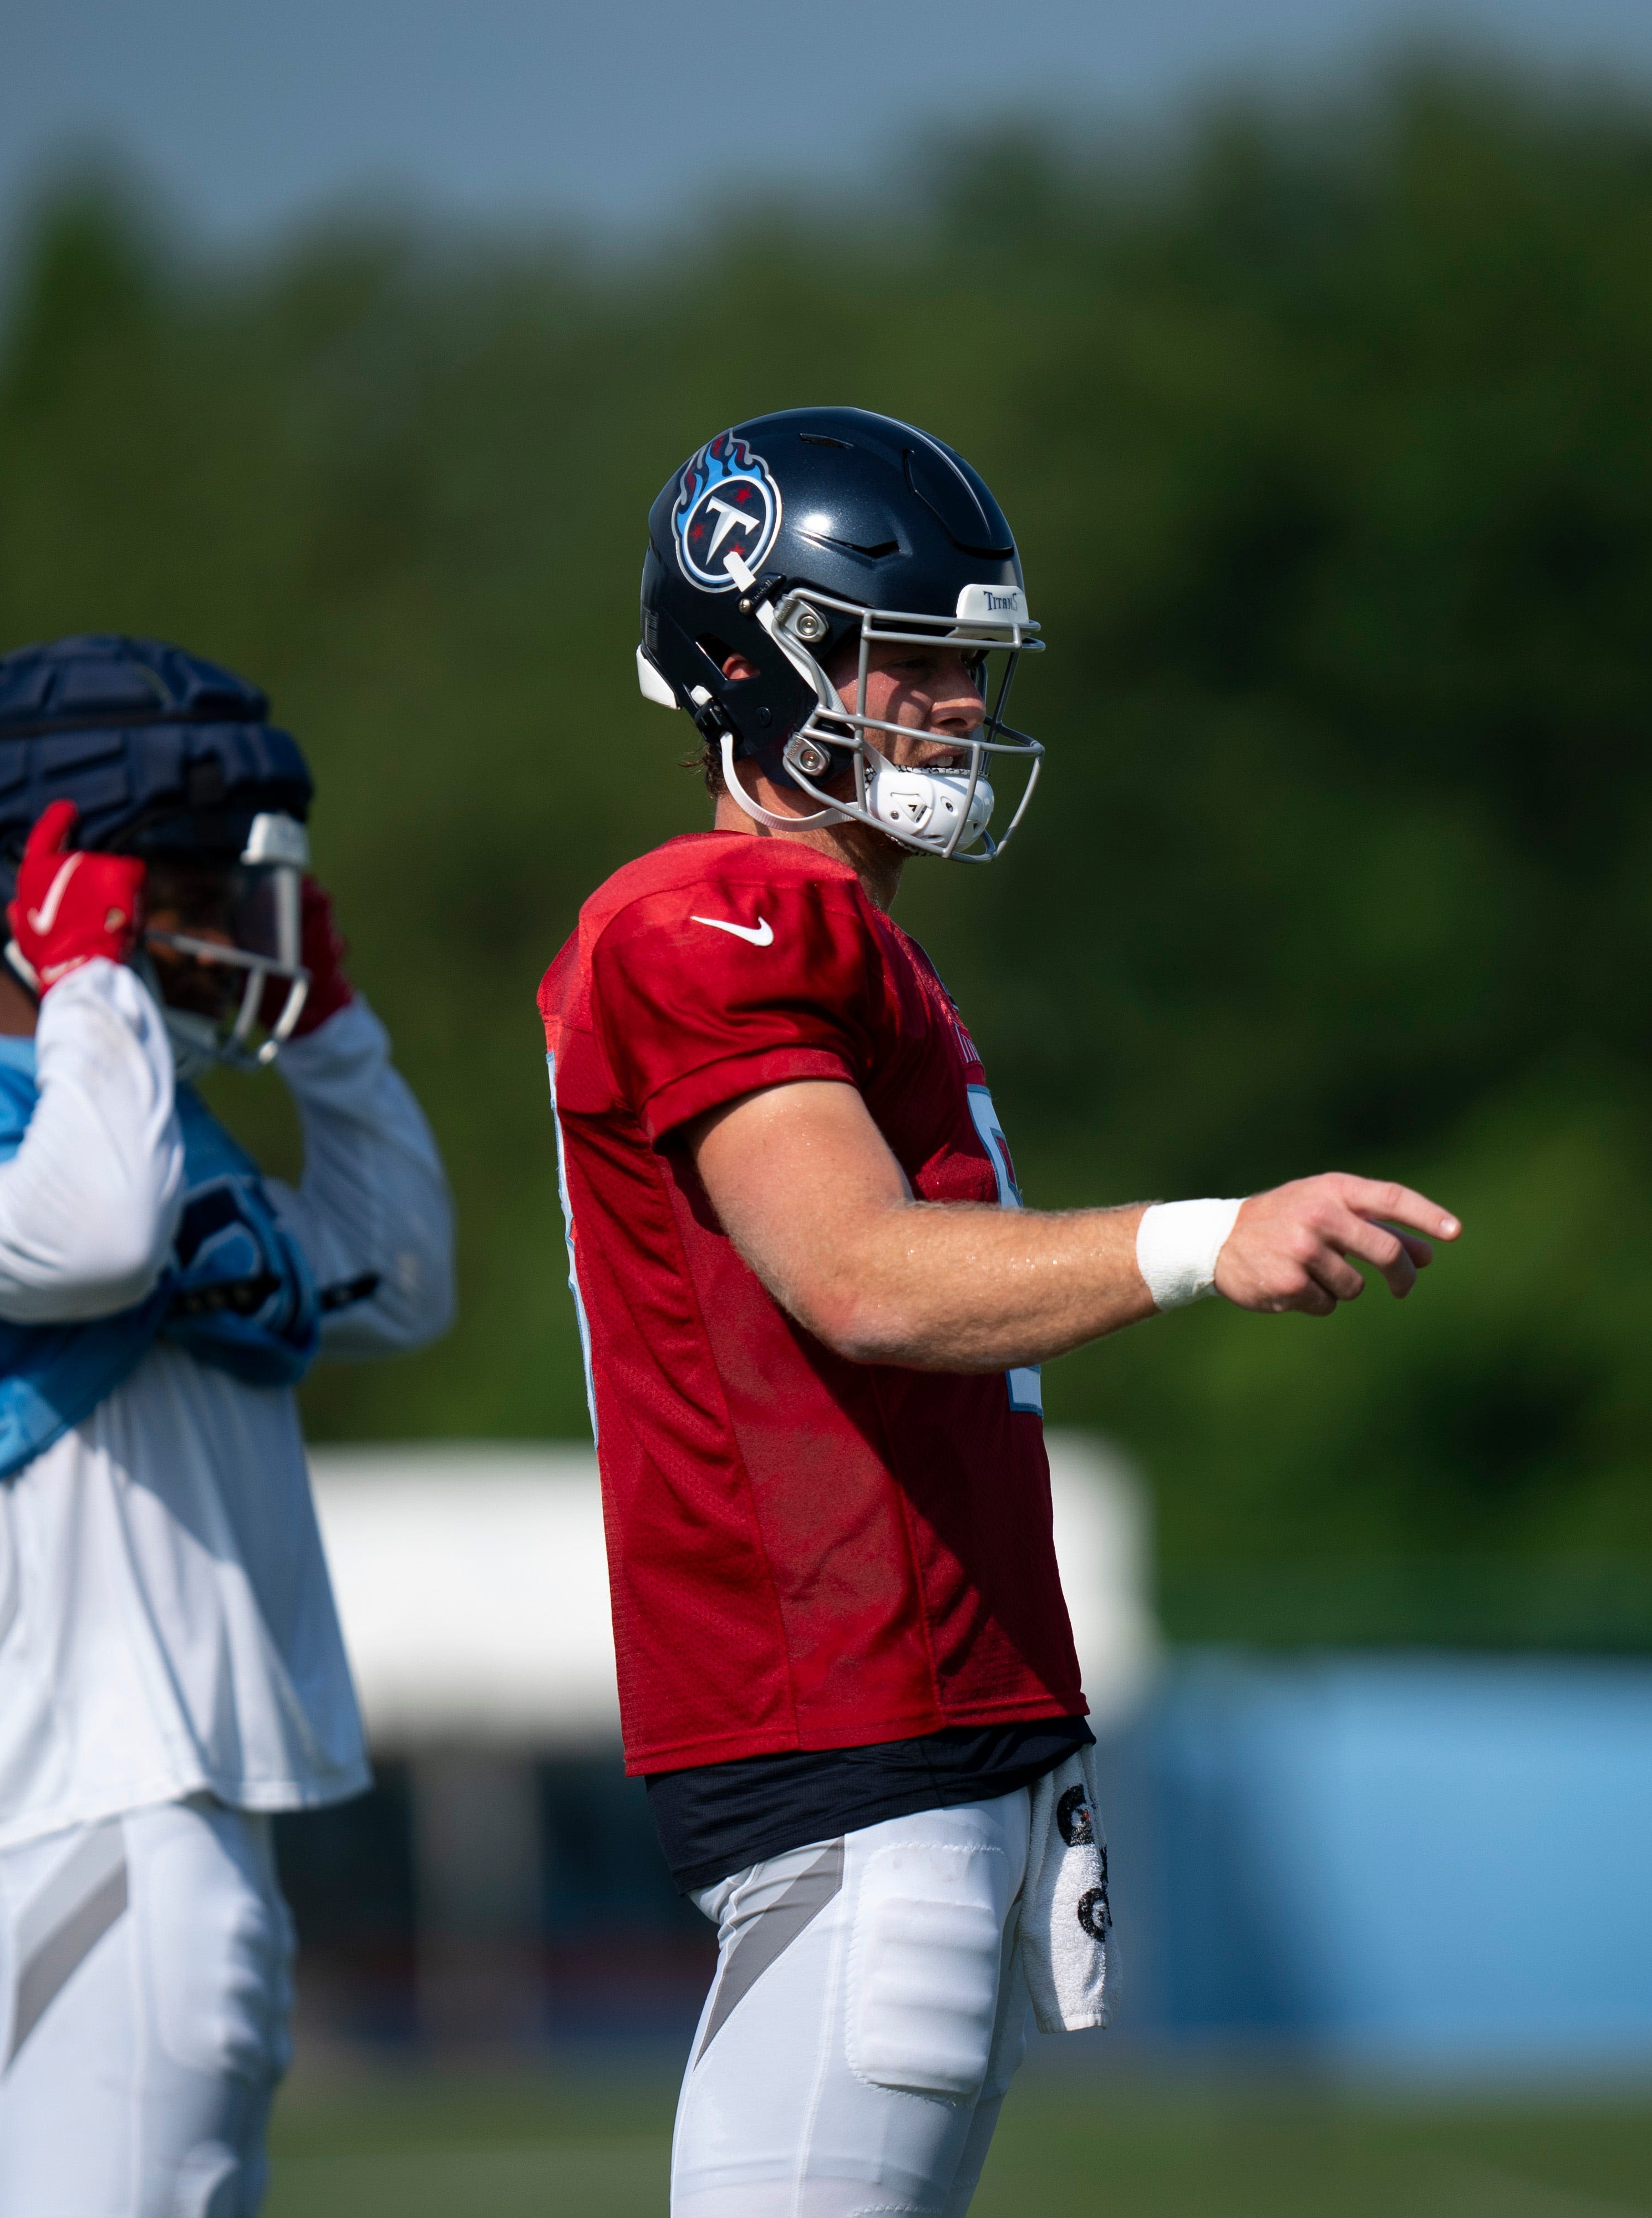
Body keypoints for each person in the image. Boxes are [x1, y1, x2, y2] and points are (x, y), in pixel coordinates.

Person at [538, 409, 1461, 2218]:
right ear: (756, 656)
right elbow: (860, 1274)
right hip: (854, 1736)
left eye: (972, 664)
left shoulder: (854, 940)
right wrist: (1205, 1239)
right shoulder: (710, 912)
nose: (957, 703)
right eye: (916, 659)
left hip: (903, 1744)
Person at [0, 634, 454, 2218]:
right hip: (81, 1786)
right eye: (177, 879)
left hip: (181, 1799)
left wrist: (329, 1033)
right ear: (44, 880)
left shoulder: (156, 1122)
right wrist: (93, 977)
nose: (219, 917)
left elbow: (406, 1276)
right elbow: (99, 1235)